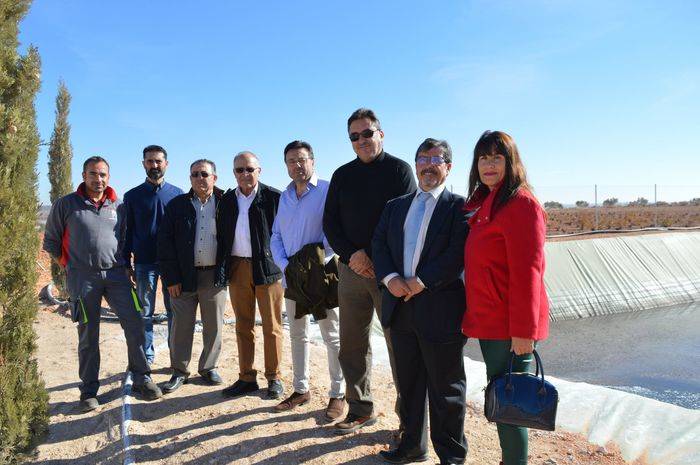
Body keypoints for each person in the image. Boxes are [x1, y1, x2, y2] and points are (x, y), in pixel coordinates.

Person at [373, 138, 469, 465]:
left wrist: (420, 281)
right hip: (400, 310)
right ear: (415, 165)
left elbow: (457, 253)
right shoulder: (395, 206)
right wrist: (391, 280)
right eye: (422, 158)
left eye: (436, 159)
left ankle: (452, 457)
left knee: (446, 393)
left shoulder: (460, 208)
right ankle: (412, 445)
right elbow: (380, 245)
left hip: (441, 311)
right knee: (410, 388)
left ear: (448, 167)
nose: (428, 165)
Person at [323, 108, 416, 434]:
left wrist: (377, 260)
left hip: (390, 274)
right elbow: (330, 223)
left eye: (367, 133)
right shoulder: (342, 175)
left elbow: (405, 222)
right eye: (354, 136)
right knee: (352, 344)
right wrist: (353, 256)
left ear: (381, 133)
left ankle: (410, 420)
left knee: (399, 346)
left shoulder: (400, 171)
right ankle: (361, 409)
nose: (361, 140)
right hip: (351, 272)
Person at [43, 156, 162, 412]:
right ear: (84, 175)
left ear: (109, 176)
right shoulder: (67, 204)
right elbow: (51, 242)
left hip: (117, 276)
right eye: (93, 174)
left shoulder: (118, 205)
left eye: (103, 175)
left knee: (136, 323)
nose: (98, 180)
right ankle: (88, 391)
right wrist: (70, 267)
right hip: (82, 279)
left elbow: (126, 238)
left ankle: (142, 377)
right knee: (88, 334)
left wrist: (127, 267)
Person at [461, 131, 549, 465]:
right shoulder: (487, 202)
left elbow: (529, 271)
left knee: (511, 404)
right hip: (490, 321)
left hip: (510, 326)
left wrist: (524, 332)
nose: (489, 164)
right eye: (483, 158)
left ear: (511, 162)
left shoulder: (521, 204)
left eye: (497, 157)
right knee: (502, 398)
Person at [270, 140, 345, 421]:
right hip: (292, 279)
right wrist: (287, 265)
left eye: (302, 160)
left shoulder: (327, 191)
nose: (297, 166)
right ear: (286, 165)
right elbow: (275, 235)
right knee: (297, 334)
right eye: (291, 161)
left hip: (322, 277)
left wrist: (313, 261)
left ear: (312, 161)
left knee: (332, 336)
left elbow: (334, 232)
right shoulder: (285, 197)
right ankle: (301, 390)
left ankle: (338, 394)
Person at [216, 151, 285, 400]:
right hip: (238, 268)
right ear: (233, 173)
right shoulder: (226, 200)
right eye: (239, 170)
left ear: (259, 170)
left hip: (268, 268)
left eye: (249, 169)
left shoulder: (275, 197)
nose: (245, 174)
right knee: (243, 325)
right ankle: (246, 378)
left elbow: (284, 234)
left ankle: (274, 377)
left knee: (272, 327)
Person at [157, 159, 227, 392]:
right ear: (190, 179)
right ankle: (179, 371)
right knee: (181, 326)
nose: (200, 178)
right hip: (183, 277)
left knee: (214, 325)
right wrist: (171, 279)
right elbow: (164, 244)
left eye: (204, 174)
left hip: (213, 276)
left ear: (214, 178)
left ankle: (208, 367)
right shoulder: (177, 205)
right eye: (195, 174)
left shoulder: (226, 204)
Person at [123, 144, 183, 364]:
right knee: (144, 312)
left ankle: (175, 356)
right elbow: (126, 231)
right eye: (150, 161)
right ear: (143, 164)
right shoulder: (132, 196)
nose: (154, 165)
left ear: (166, 164)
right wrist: (126, 262)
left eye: (158, 161)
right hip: (144, 263)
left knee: (174, 312)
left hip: (171, 264)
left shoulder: (178, 195)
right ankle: (146, 356)